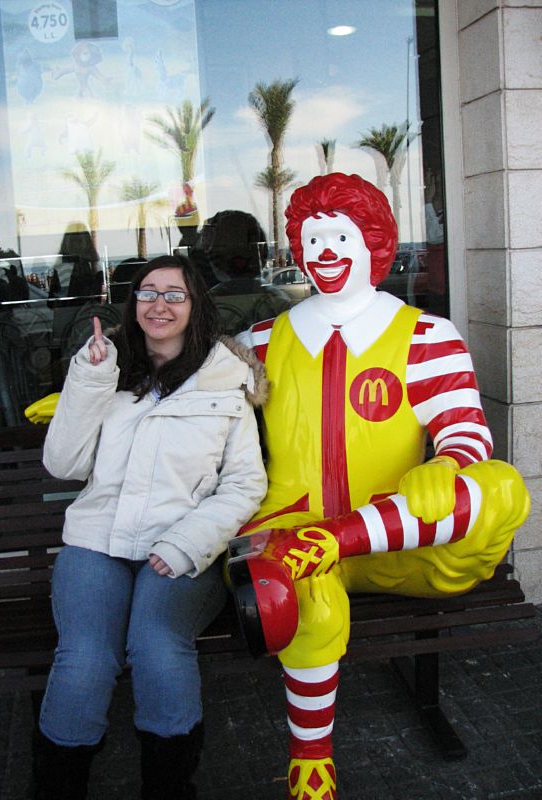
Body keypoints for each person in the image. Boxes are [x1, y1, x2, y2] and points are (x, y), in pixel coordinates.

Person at [227, 172, 530, 800]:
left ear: (374, 242)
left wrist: (446, 466)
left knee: (502, 487)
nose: (326, 251)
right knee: (308, 599)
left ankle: (335, 540)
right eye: (314, 239)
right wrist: (103, 398)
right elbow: (185, 400)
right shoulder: (262, 341)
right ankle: (311, 765)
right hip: (293, 537)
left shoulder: (427, 336)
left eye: (341, 236)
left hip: (402, 539)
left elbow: (467, 435)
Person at [30, 253, 268, 799]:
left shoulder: (225, 381)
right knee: (86, 659)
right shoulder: (108, 370)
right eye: (148, 292)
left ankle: (168, 788)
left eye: (174, 294)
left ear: (195, 306)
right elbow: (63, 465)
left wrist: (188, 543)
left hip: (181, 549)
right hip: (98, 543)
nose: (159, 304)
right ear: (133, 302)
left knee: (157, 646)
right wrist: (89, 380)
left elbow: (243, 484)